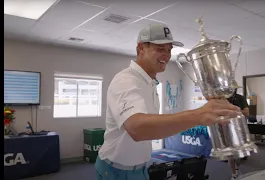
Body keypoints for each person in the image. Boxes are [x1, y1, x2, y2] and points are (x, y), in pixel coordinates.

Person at [94, 22, 241, 180]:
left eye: (169, 50)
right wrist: (198, 116)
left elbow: (150, 128)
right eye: (160, 49)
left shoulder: (149, 82)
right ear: (140, 49)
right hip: (116, 171)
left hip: (141, 168)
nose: (167, 55)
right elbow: (137, 129)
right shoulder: (126, 80)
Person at [227, 80, 249, 180]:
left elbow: (247, 112)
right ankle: (233, 173)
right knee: (230, 154)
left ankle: (237, 168)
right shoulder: (224, 99)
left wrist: (235, 110)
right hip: (227, 128)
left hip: (239, 128)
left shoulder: (241, 98)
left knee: (239, 152)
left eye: (233, 88)